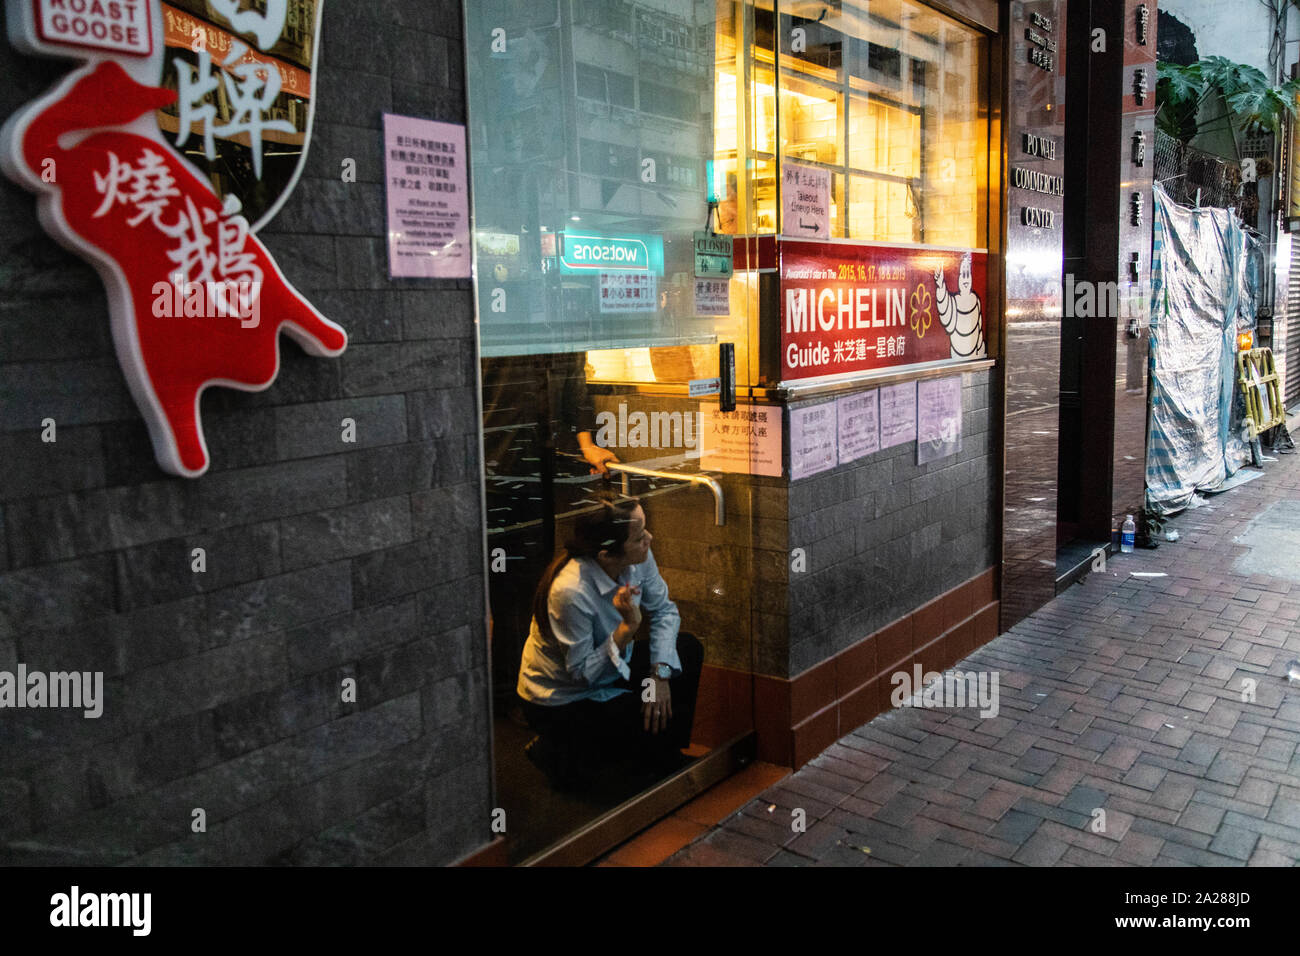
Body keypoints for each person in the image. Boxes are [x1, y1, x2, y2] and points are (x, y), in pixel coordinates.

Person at [516, 495, 702, 789]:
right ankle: (555, 749)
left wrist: (660, 675)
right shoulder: (570, 591)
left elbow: (665, 610)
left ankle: (664, 755)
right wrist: (628, 627)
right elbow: (583, 675)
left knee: (686, 649)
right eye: (640, 537)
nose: (649, 539)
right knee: (616, 773)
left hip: (612, 668)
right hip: (565, 699)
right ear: (607, 555)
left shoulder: (638, 557)